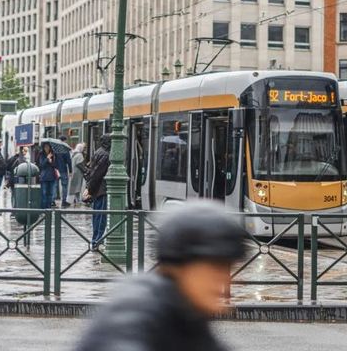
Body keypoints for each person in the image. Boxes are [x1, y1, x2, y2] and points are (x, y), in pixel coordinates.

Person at [75, 204, 246, 351]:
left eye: (228, 268)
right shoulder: (134, 310)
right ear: (177, 266)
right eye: (214, 268)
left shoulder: (190, 320)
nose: (225, 281)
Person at [86, 135, 111, 249]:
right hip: (102, 189)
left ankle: (96, 240)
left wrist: (89, 188)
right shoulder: (105, 155)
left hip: (97, 189)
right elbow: (97, 174)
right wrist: (90, 189)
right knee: (101, 217)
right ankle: (97, 240)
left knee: (97, 215)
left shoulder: (98, 152)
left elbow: (92, 172)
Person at [38, 142, 59, 210]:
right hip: (44, 177)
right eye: (45, 147)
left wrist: (51, 162)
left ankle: (48, 208)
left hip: (52, 176)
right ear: (43, 148)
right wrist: (47, 159)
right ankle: (43, 208)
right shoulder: (41, 154)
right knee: (44, 193)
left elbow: (56, 165)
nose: (47, 148)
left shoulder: (54, 155)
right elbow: (41, 165)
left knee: (50, 193)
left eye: (48, 147)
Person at [56, 135, 73, 208]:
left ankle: (54, 199)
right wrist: (71, 171)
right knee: (64, 186)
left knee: (55, 185)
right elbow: (69, 161)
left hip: (56, 169)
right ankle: (64, 201)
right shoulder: (65, 149)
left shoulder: (55, 149)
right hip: (63, 170)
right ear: (64, 141)